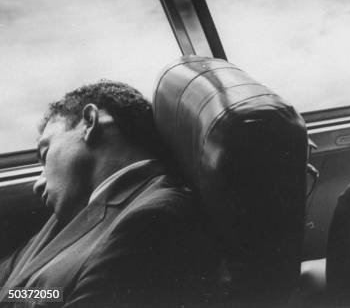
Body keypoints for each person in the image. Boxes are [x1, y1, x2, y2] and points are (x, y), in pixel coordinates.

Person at [0, 81, 209, 307]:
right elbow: (16, 285)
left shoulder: (153, 218)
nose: (38, 184)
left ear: (90, 122)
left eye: (45, 152)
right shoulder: (73, 212)